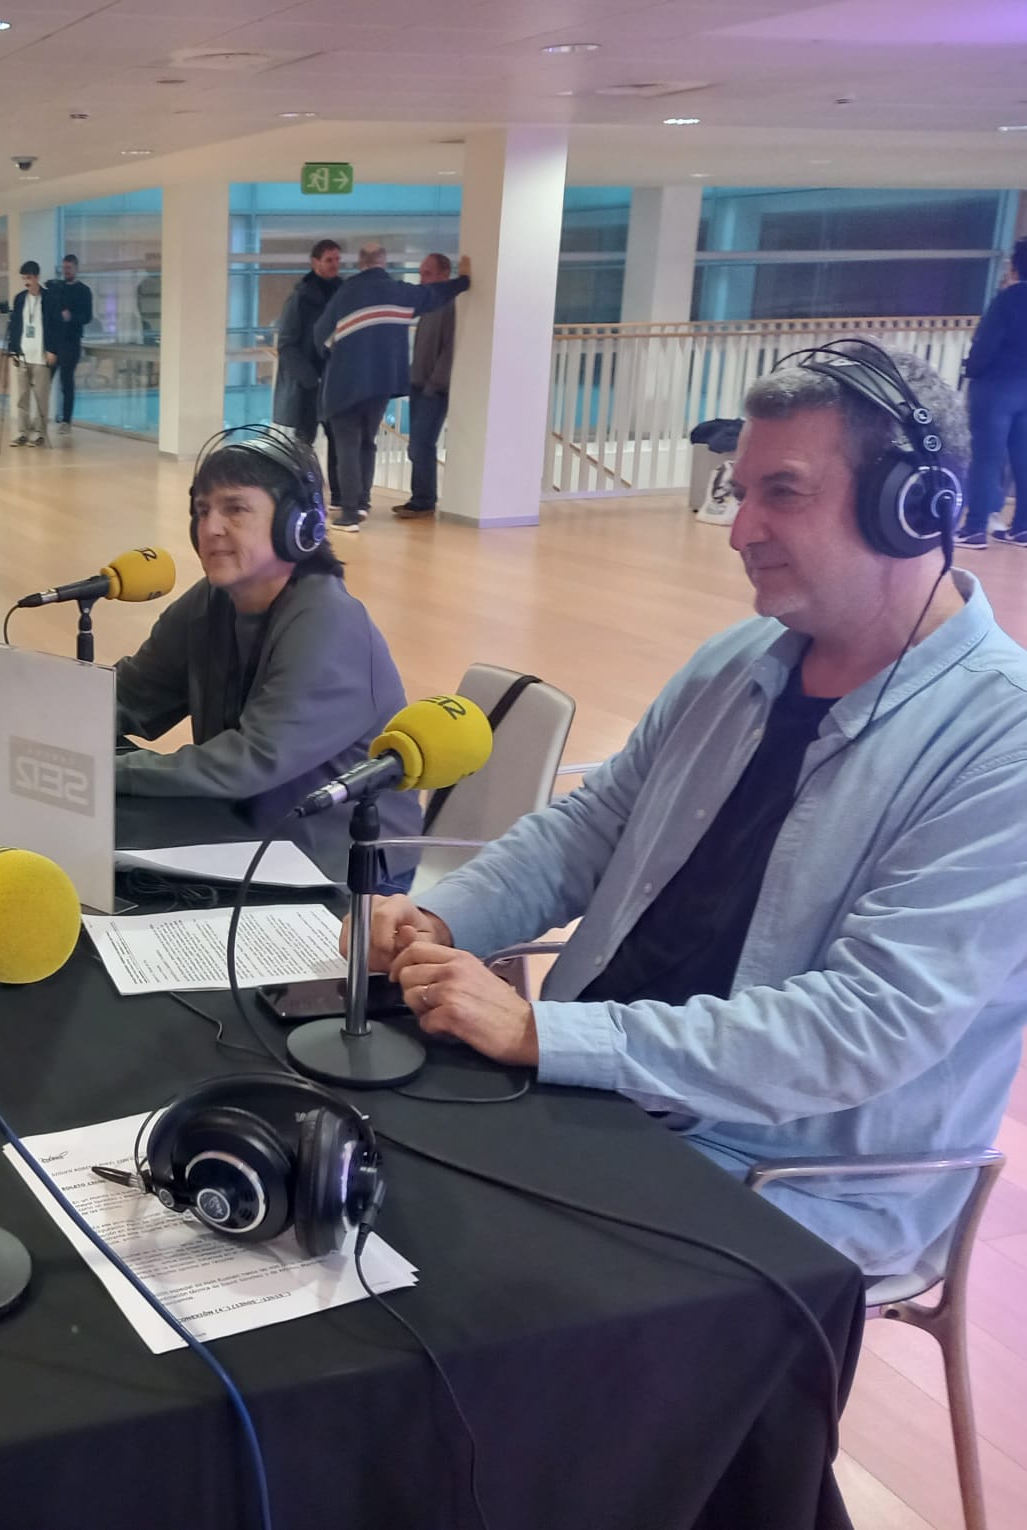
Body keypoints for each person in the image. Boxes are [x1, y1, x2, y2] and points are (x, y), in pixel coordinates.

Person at [364, 345, 1027, 1278]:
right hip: (595, 1087)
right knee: (337, 1166)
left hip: (781, 1171)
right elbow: (587, 831)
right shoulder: (737, 660)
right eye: (737, 490)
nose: (738, 529)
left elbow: (865, 1025)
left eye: (782, 494)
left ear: (912, 507)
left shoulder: (1005, 740)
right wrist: (445, 917)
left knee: (446, 1284)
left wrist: (541, 1033)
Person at [0, 431, 419, 881]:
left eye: (235, 508)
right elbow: (132, 694)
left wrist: (85, 770)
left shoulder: (330, 624)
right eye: (202, 510)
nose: (210, 528)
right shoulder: (212, 601)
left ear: (297, 524)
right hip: (241, 835)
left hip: (343, 870)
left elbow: (247, 762)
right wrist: (36, 736)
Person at [312, 244, 471, 530]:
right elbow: (435, 294)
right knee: (367, 443)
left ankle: (348, 514)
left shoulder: (347, 292)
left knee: (347, 444)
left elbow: (319, 334)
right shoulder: (401, 293)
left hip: (345, 383)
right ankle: (361, 503)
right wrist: (464, 281)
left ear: (360, 264)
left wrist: (331, 357)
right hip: (383, 383)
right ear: (383, 263)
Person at [962, 237, 1027, 549]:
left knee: (986, 458)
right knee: (1024, 460)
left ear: (1016, 266)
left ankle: (974, 529)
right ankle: (1022, 529)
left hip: (997, 389)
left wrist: (970, 369)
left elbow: (985, 346)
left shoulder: (1008, 300)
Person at [271, 239, 344, 511]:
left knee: (339, 439)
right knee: (303, 442)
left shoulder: (343, 292)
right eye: (329, 260)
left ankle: (339, 496)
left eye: (337, 259)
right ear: (315, 263)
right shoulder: (301, 297)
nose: (334, 265)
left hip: (334, 383)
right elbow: (287, 345)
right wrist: (311, 379)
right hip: (307, 386)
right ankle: (302, 494)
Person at [397, 252, 458, 519]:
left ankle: (424, 500)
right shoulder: (428, 305)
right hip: (418, 384)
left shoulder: (450, 305)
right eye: (421, 273)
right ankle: (419, 498)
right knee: (416, 444)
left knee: (422, 443)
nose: (422, 278)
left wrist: (436, 383)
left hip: (434, 388)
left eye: (428, 273)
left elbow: (450, 348)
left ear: (445, 274)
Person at [6, 259, 62, 449]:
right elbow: (15, 326)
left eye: (29, 278)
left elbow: (56, 327)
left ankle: (39, 434)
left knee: (40, 398)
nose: (26, 282)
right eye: (24, 278)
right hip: (23, 355)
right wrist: (13, 349)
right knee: (22, 397)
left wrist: (53, 350)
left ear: (37, 277)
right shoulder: (20, 298)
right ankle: (22, 432)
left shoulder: (50, 298)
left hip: (41, 356)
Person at [49, 252, 95, 433]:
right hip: (55, 342)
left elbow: (88, 317)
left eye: (69, 268)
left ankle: (66, 420)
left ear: (76, 268)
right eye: (64, 268)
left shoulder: (83, 291)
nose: (66, 271)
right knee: (45, 378)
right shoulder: (57, 289)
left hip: (71, 342)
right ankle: (42, 416)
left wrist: (72, 317)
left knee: (66, 381)